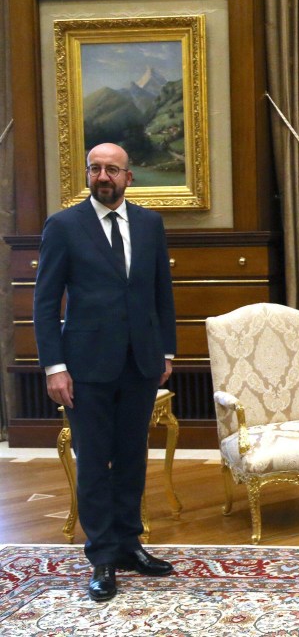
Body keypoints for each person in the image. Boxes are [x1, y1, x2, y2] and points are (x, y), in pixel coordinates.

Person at [33, 143, 177, 602]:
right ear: (88, 176)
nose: (103, 176)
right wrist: (55, 366)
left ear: (129, 177)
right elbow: (43, 301)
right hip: (85, 367)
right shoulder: (64, 226)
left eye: (112, 169)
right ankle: (101, 557)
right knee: (95, 461)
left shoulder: (150, 224)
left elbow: (161, 294)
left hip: (140, 363)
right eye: (95, 169)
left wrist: (167, 352)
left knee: (132, 458)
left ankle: (129, 544)